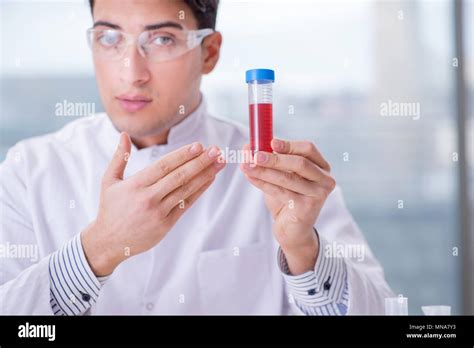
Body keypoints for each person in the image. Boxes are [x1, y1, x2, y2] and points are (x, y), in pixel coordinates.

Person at [0, 0, 393, 315]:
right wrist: (98, 249)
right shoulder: (30, 170)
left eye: (162, 40)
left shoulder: (281, 176)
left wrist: (304, 251)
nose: (131, 72)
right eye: (109, 38)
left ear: (209, 52)